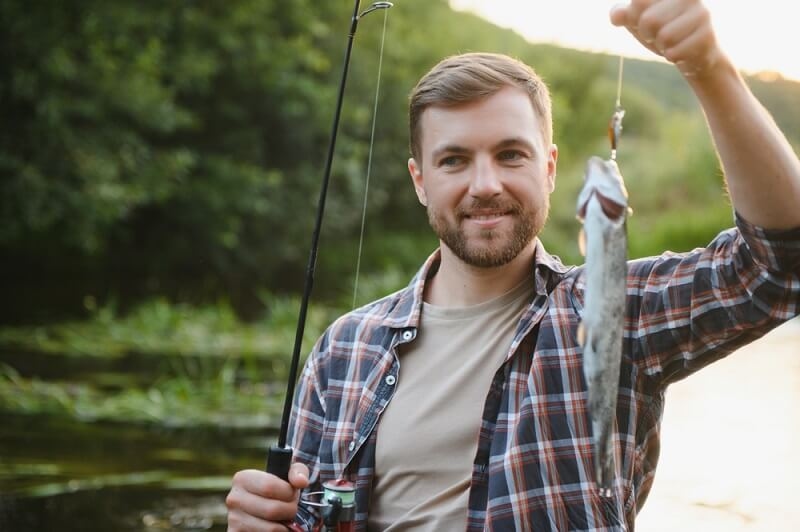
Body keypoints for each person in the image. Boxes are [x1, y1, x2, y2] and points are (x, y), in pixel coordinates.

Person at [226, 1, 800, 530]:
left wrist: (708, 68)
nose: (485, 184)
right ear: (420, 181)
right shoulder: (342, 351)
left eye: (510, 154)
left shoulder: (614, 310)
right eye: (454, 160)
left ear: (548, 168)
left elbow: (778, 268)